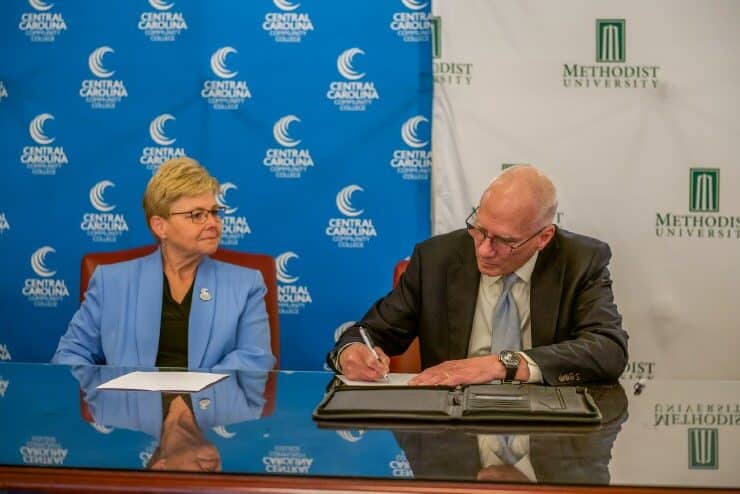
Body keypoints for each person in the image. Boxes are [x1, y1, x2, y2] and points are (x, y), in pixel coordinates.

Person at [328, 165, 628, 385]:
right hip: (452, 433)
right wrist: (350, 352)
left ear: (544, 237)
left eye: (505, 241)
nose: (484, 250)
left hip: (549, 430)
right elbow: (369, 333)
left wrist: (503, 365)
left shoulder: (580, 261)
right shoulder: (436, 259)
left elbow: (608, 349)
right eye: (479, 230)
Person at [52, 157, 275, 371]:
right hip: (130, 407)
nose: (212, 223)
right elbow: (71, 352)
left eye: (214, 212)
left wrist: (195, 395)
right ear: (160, 226)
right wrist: (107, 396)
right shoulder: (110, 281)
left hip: (210, 407)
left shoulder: (246, 284)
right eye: (197, 215)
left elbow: (254, 357)